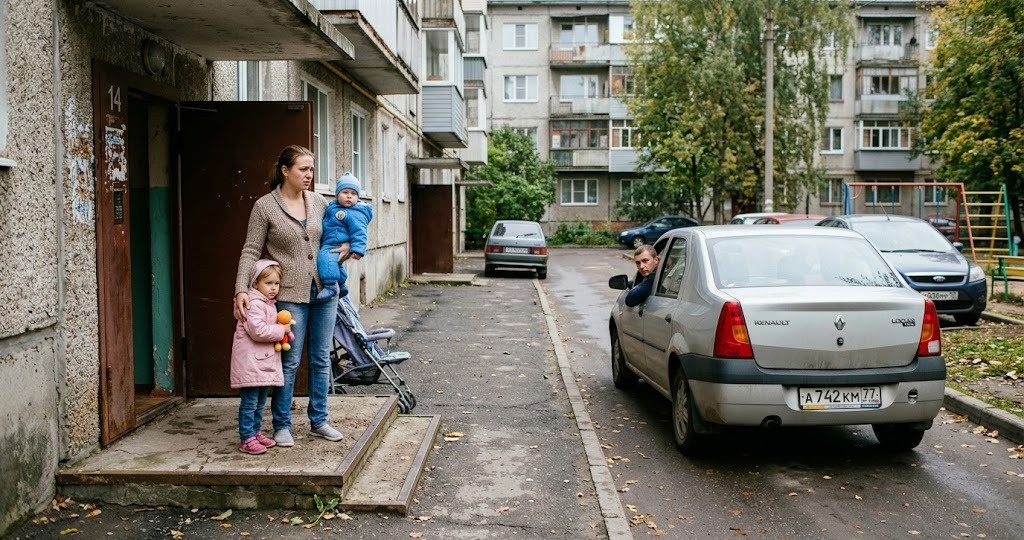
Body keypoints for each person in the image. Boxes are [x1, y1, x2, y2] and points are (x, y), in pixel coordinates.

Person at [233, 145, 344, 447]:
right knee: (290, 362)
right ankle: (282, 425)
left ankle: (319, 420)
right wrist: (241, 289)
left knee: (321, 359)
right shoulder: (265, 206)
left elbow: (337, 234)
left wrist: (345, 250)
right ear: (285, 170)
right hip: (291, 294)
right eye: (303, 169)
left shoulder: (320, 203)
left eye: (311, 169)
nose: (309, 175)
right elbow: (251, 250)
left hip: (325, 290)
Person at [231, 259, 290, 455]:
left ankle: (255, 432)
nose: (273, 288)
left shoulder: (268, 303)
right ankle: (246, 437)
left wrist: (284, 331)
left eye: (276, 284)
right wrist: (281, 330)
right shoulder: (254, 303)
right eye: (268, 283)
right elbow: (258, 331)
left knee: (259, 401)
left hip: (261, 363)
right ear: (255, 283)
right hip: (251, 363)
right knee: (249, 403)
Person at [316, 172, 373, 300]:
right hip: (330, 241)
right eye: (345, 192)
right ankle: (341, 285)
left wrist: (357, 249)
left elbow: (360, 232)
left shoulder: (355, 213)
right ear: (337, 194)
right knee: (336, 264)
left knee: (324, 259)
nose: (349, 196)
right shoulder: (333, 206)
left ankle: (330, 286)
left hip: (335, 243)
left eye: (353, 194)